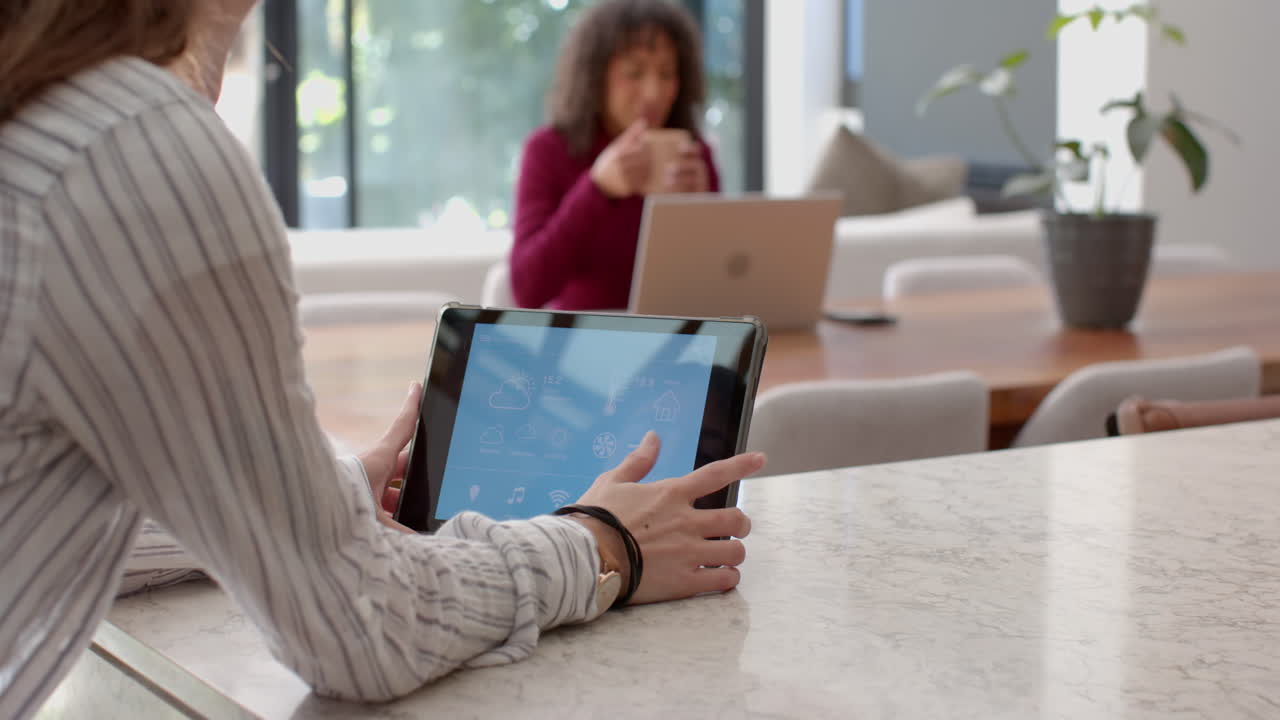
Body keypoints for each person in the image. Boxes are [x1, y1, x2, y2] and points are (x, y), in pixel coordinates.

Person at [0, 1, 762, 717]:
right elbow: (362, 627)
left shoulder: (42, 112)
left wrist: (315, 502)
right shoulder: (134, 149)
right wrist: (603, 542)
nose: (653, 91)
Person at [510, 0, 720, 311]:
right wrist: (596, 188)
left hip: (676, 340)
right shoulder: (548, 150)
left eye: (666, 74)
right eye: (634, 73)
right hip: (581, 343)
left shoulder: (693, 154)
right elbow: (527, 289)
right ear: (594, 75)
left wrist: (702, 208)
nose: (653, 92)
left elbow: (721, 282)